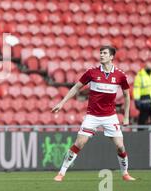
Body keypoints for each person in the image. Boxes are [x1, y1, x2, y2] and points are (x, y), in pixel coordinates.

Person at [51, 46, 136, 182]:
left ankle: (125, 174)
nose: (101, 55)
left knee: (120, 146)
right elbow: (76, 87)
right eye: (100, 53)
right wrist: (62, 103)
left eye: (105, 53)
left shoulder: (120, 75)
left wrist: (125, 116)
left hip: (110, 116)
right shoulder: (91, 72)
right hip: (92, 116)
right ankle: (61, 173)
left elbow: (127, 95)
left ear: (112, 56)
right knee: (79, 143)